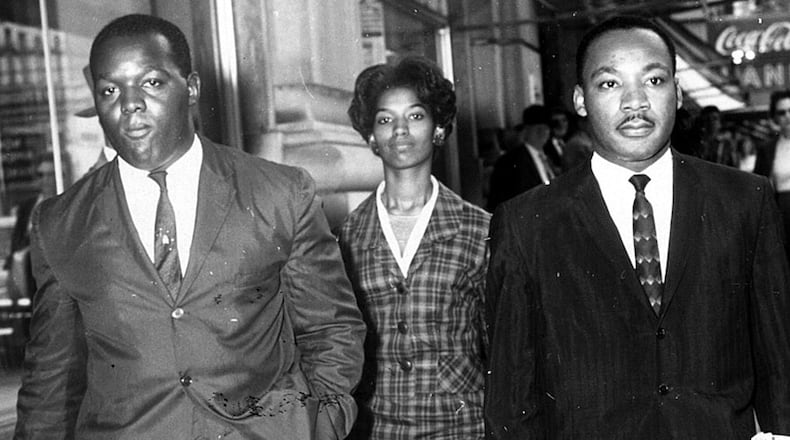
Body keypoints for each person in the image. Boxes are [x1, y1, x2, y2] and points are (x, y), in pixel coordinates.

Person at [15, 14, 365, 440]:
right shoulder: (60, 223)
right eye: (110, 90)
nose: (130, 104)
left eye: (151, 83)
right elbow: (51, 384)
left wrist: (319, 425)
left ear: (192, 88)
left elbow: (331, 330)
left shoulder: (279, 192)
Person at [485, 15, 790, 439]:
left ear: (678, 92)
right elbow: (511, 393)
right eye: (610, 84)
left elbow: (781, 359)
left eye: (654, 81)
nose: (635, 102)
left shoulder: (744, 201)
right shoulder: (527, 224)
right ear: (580, 100)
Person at [339, 56, 490, 439]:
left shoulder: (480, 229)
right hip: (375, 429)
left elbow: (502, 350)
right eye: (386, 119)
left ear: (438, 129)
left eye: (416, 116)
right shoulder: (347, 237)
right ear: (372, 136)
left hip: (461, 427)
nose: (400, 130)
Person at [486, 104, 553, 212]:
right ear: (526, 130)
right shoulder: (509, 161)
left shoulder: (546, 159)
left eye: (545, 128)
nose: (542, 132)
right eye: (538, 128)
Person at [754, 89, 790, 260]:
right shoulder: (767, 149)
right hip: (783, 215)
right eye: (782, 112)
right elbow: (758, 188)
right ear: (775, 117)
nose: (788, 116)